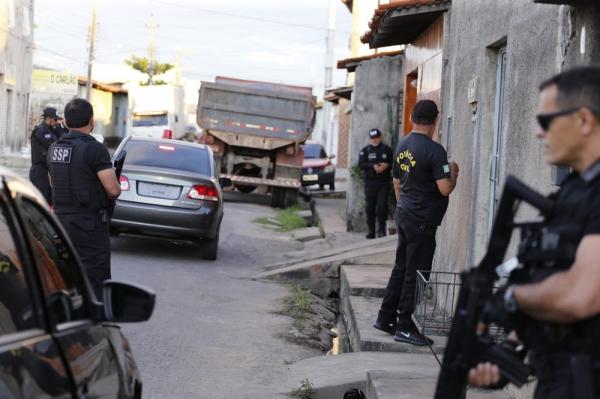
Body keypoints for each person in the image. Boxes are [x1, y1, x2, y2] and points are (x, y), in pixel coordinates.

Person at [468, 66, 600, 398]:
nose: (538, 133)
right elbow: (552, 277)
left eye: (546, 121)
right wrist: (506, 354)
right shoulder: (573, 193)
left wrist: (512, 298)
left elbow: (579, 296)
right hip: (562, 381)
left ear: (583, 120)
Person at [373, 100, 458, 346]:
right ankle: (405, 326)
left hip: (405, 213)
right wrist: (454, 173)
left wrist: (403, 208)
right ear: (435, 120)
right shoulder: (435, 151)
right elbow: (444, 189)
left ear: (412, 118)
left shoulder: (402, 144)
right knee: (416, 272)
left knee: (401, 267)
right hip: (422, 220)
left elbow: (397, 183)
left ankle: (385, 317)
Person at [47, 98, 121, 298]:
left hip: (60, 223)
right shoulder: (94, 148)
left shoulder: (54, 148)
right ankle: (97, 321)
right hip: (89, 225)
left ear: (66, 122)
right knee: (96, 278)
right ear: (91, 120)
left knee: (65, 275)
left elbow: (53, 183)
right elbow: (113, 190)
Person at [358, 128, 394, 239]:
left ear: (380, 137)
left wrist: (386, 166)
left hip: (383, 183)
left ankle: (382, 231)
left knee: (382, 207)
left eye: (377, 138)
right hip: (370, 183)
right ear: (370, 139)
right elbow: (361, 164)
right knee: (370, 207)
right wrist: (372, 166)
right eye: (373, 138)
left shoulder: (387, 150)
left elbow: (394, 163)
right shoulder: (365, 151)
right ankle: (371, 231)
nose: (375, 140)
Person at [30, 107, 60, 205]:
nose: (56, 122)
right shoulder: (41, 131)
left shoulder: (50, 130)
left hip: (46, 171)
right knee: (41, 201)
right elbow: (54, 146)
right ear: (48, 119)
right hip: (40, 171)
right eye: (55, 120)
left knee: (48, 199)